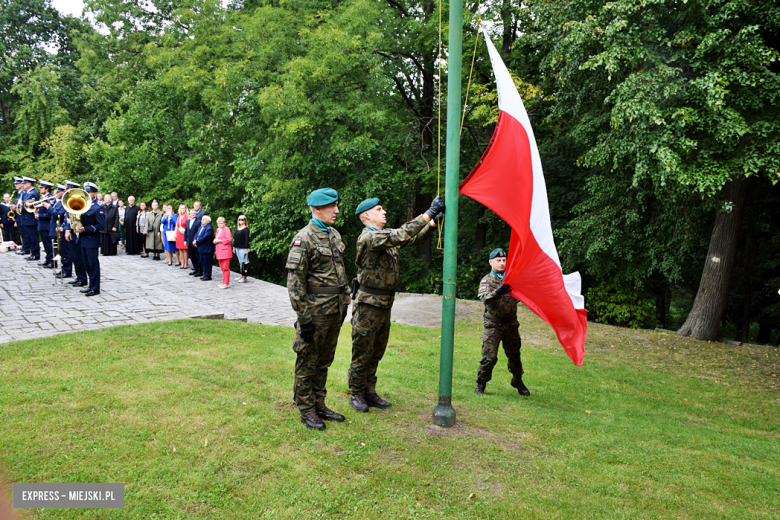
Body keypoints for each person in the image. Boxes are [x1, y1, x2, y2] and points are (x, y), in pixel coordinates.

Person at [347, 196, 444, 412]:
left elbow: (412, 239)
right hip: (368, 305)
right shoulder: (369, 237)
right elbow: (401, 234)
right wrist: (428, 212)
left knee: (377, 351)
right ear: (366, 216)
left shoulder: (386, 237)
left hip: (384, 304)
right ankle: (356, 393)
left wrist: (432, 223)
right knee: (362, 351)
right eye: (379, 209)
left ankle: (369, 392)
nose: (384, 212)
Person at [285, 188, 350, 431]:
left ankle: (319, 403)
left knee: (324, 360)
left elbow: (340, 272)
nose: (337, 211)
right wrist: (304, 319)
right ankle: (306, 408)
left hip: (333, 311)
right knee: (307, 361)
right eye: (332, 206)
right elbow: (295, 284)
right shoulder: (304, 238)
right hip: (314, 313)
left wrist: (345, 302)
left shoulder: (333, 235)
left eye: (336, 205)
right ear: (317, 209)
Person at [473, 248, 529, 396]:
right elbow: (484, 298)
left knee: (514, 355)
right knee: (489, 357)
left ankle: (517, 380)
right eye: (498, 260)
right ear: (491, 262)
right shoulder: (487, 280)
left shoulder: (512, 279)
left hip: (511, 324)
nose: (502, 263)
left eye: (504, 260)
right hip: (494, 325)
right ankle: (481, 383)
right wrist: (497, 292)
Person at [64, 182, 105, 296]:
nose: (87, 194)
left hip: (91, 239)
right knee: (86, 264)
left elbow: (101, 226)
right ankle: (90, 285)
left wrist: (85, 229)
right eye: (86, 192)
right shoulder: (83, 206)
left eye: (89, 192)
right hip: (82, 239)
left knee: (93, 264)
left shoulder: (97, 208)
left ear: (95, 193)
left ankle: (95, 288)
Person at [62, 180, 87, 287]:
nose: (66, 191)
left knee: (79, 257)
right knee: (74, 256)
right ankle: (79, 276)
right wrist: (67, 229)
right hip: (72, 232)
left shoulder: (80, 200)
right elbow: (68, 218)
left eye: (67, 189)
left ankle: (83, 278)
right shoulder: (69, 201)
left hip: (79, 232)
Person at [46, 184, 70, 277]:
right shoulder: (59, 202)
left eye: (59, 191)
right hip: (59, 229)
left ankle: (67, 270)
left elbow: (59, 215)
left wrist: (48, 207)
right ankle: (64, 269)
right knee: (62, 251)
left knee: (66, 252)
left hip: (63, 229)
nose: (56, 193)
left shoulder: (64, 202)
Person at [34, 181, 55, 267]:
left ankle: (51, 261)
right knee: (45, 244)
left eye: (41, 187)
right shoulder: (43, 198)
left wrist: (40, 216)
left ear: (47, 188)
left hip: (47, 225)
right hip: (42, 225)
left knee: (49, 244)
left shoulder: (50, 198)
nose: (39, 189)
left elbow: (50, 214)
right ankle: (48, 258)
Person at [20, 177, 40, 261]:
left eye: (24, 183)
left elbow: (31, 206)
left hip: (30, 219)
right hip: (26, 218)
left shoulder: (33, 193)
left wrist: (20, 207)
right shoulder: (26, 193)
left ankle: (35, 254)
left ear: (29, 184)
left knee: (33, 237)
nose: (23, 185)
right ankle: (33, 253)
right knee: (29, 237)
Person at [192, 215, 214, 280]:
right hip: (201, 248)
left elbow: (205, 237)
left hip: (207, 248)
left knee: (207, 263)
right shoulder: (201, 227)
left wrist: (197, 241)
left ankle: (208, 275)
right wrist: (194, 240)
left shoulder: (209, 228)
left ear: (208, 221)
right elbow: (197, 234)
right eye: (201, 219)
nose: (202, 220)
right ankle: (205, 274)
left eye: (203, 219)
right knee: (203, 262)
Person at [213, 217, 233, 288]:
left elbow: (228, 240)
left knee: (225, 268)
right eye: (218, 223)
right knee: (221, 267)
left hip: (225, 251)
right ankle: (223, 281)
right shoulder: (218, 230)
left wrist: (219, 240)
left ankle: (226, 283)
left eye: (221, 223)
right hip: (219, 251)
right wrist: (215, 240)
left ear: (224, 223)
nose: (220, 224)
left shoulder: (226, 229)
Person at [185, 208, 202, 277]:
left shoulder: (198, 222)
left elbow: (199, 232)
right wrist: (185, 240)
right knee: (192, 256)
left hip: (195, 242)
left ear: (196, 214)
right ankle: (195, 269)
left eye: (194, 213)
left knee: (197, 256)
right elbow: (186, 231)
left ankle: (200, 270)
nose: (192, 214)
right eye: (191, 213)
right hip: (189, 241)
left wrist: (196, 240)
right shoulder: (188, 221)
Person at [233, 214, 250, 282]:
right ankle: (241, 275)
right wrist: (234, 247)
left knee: (244, 262)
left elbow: (246, 240)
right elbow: (235, 238)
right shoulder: (237, 228)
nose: (240, 220)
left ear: (245, 220)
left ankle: (244, 276)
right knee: (240, 262)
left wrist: (246, 249)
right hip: (237, 247)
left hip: (243, 248)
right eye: (239, 219)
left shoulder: (246, 229)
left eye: (242, 219)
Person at [175, 204, 189, 269]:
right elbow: (177, 225)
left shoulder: (187, 216)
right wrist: (175, 234)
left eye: (183, 208)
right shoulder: (179, 216)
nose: (182, 209)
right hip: (179, 233)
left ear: (185, 209)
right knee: (180, 248)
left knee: (185, 249)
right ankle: (182, 262)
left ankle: (186, 263)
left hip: (184, 233)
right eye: (181, 208)